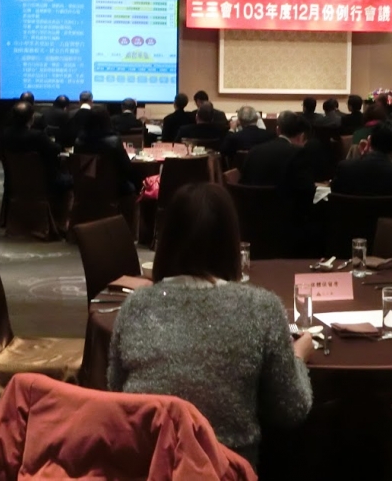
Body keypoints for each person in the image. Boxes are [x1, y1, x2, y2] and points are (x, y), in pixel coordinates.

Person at [108, 183, 313, 467]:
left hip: (147, 468)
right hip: (224, 470)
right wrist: (298, 357)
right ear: (230, 243)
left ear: (167, 241)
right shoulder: (261, 308)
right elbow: (291, 409)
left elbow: (116, 396)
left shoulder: (135, 306)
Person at [242, 112, 318, 254]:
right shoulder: (298, 153)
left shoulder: (254, 151)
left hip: (252, 224)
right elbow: (307, 192)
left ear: (278, 130)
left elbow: (243, 185)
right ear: (302, 136)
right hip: (288, 228)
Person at [331, 121, 392, 219]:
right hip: (389, 227)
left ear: (370, 142)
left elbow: (335, 200)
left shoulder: (344, 168)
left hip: (349, 225)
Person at [1, 101, 67, 193]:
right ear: (32, 118)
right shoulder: (37, 136)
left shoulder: (4, 135)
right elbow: (55, 149)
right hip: (43, 183)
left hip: (13, 183)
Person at [75, 105, 139, 195]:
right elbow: (127, 168)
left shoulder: (79, 142)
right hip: (112, 189)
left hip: (85, 188)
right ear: (107, 121)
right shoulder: (114, 142)